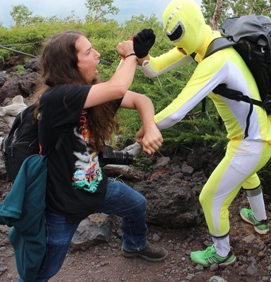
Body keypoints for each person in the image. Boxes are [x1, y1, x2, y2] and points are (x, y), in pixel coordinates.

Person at [131, 0, 271, 267]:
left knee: (209, 198)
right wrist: (142, 57)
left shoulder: (216, 61)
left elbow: (176, 112)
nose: (176, 44)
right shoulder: (206, 41)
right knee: (247, 173)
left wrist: (147, 126)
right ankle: (260, 220)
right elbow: (155, 70)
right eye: (171, 39)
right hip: (260, 134)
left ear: (190, 26)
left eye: (177, 36)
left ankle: (222, 253)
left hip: (252, 143)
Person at [23, 30, 168, 282]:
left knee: (136, 205)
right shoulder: (56, 99)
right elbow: (118, 87)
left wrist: (150, 126)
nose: (97, 54)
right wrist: (132, 54)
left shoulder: (90, 93)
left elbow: (141, 100)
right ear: (71, 64)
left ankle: (134, 245)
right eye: (89, 51)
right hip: (61, 206)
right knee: (43, 270)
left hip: (95, 187)